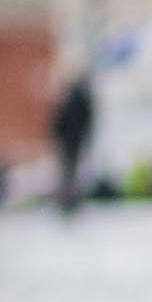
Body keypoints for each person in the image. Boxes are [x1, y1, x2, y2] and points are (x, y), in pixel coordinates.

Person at [50, 73, 95, 217]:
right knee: (71, 170)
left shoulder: (70, 101)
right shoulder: (81, 100)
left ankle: (68, 199)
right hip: (74, 141)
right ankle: (69, 198)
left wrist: (57, 135)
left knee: (68, 171)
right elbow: (86, 121)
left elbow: (60, 121)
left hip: (69, 141)